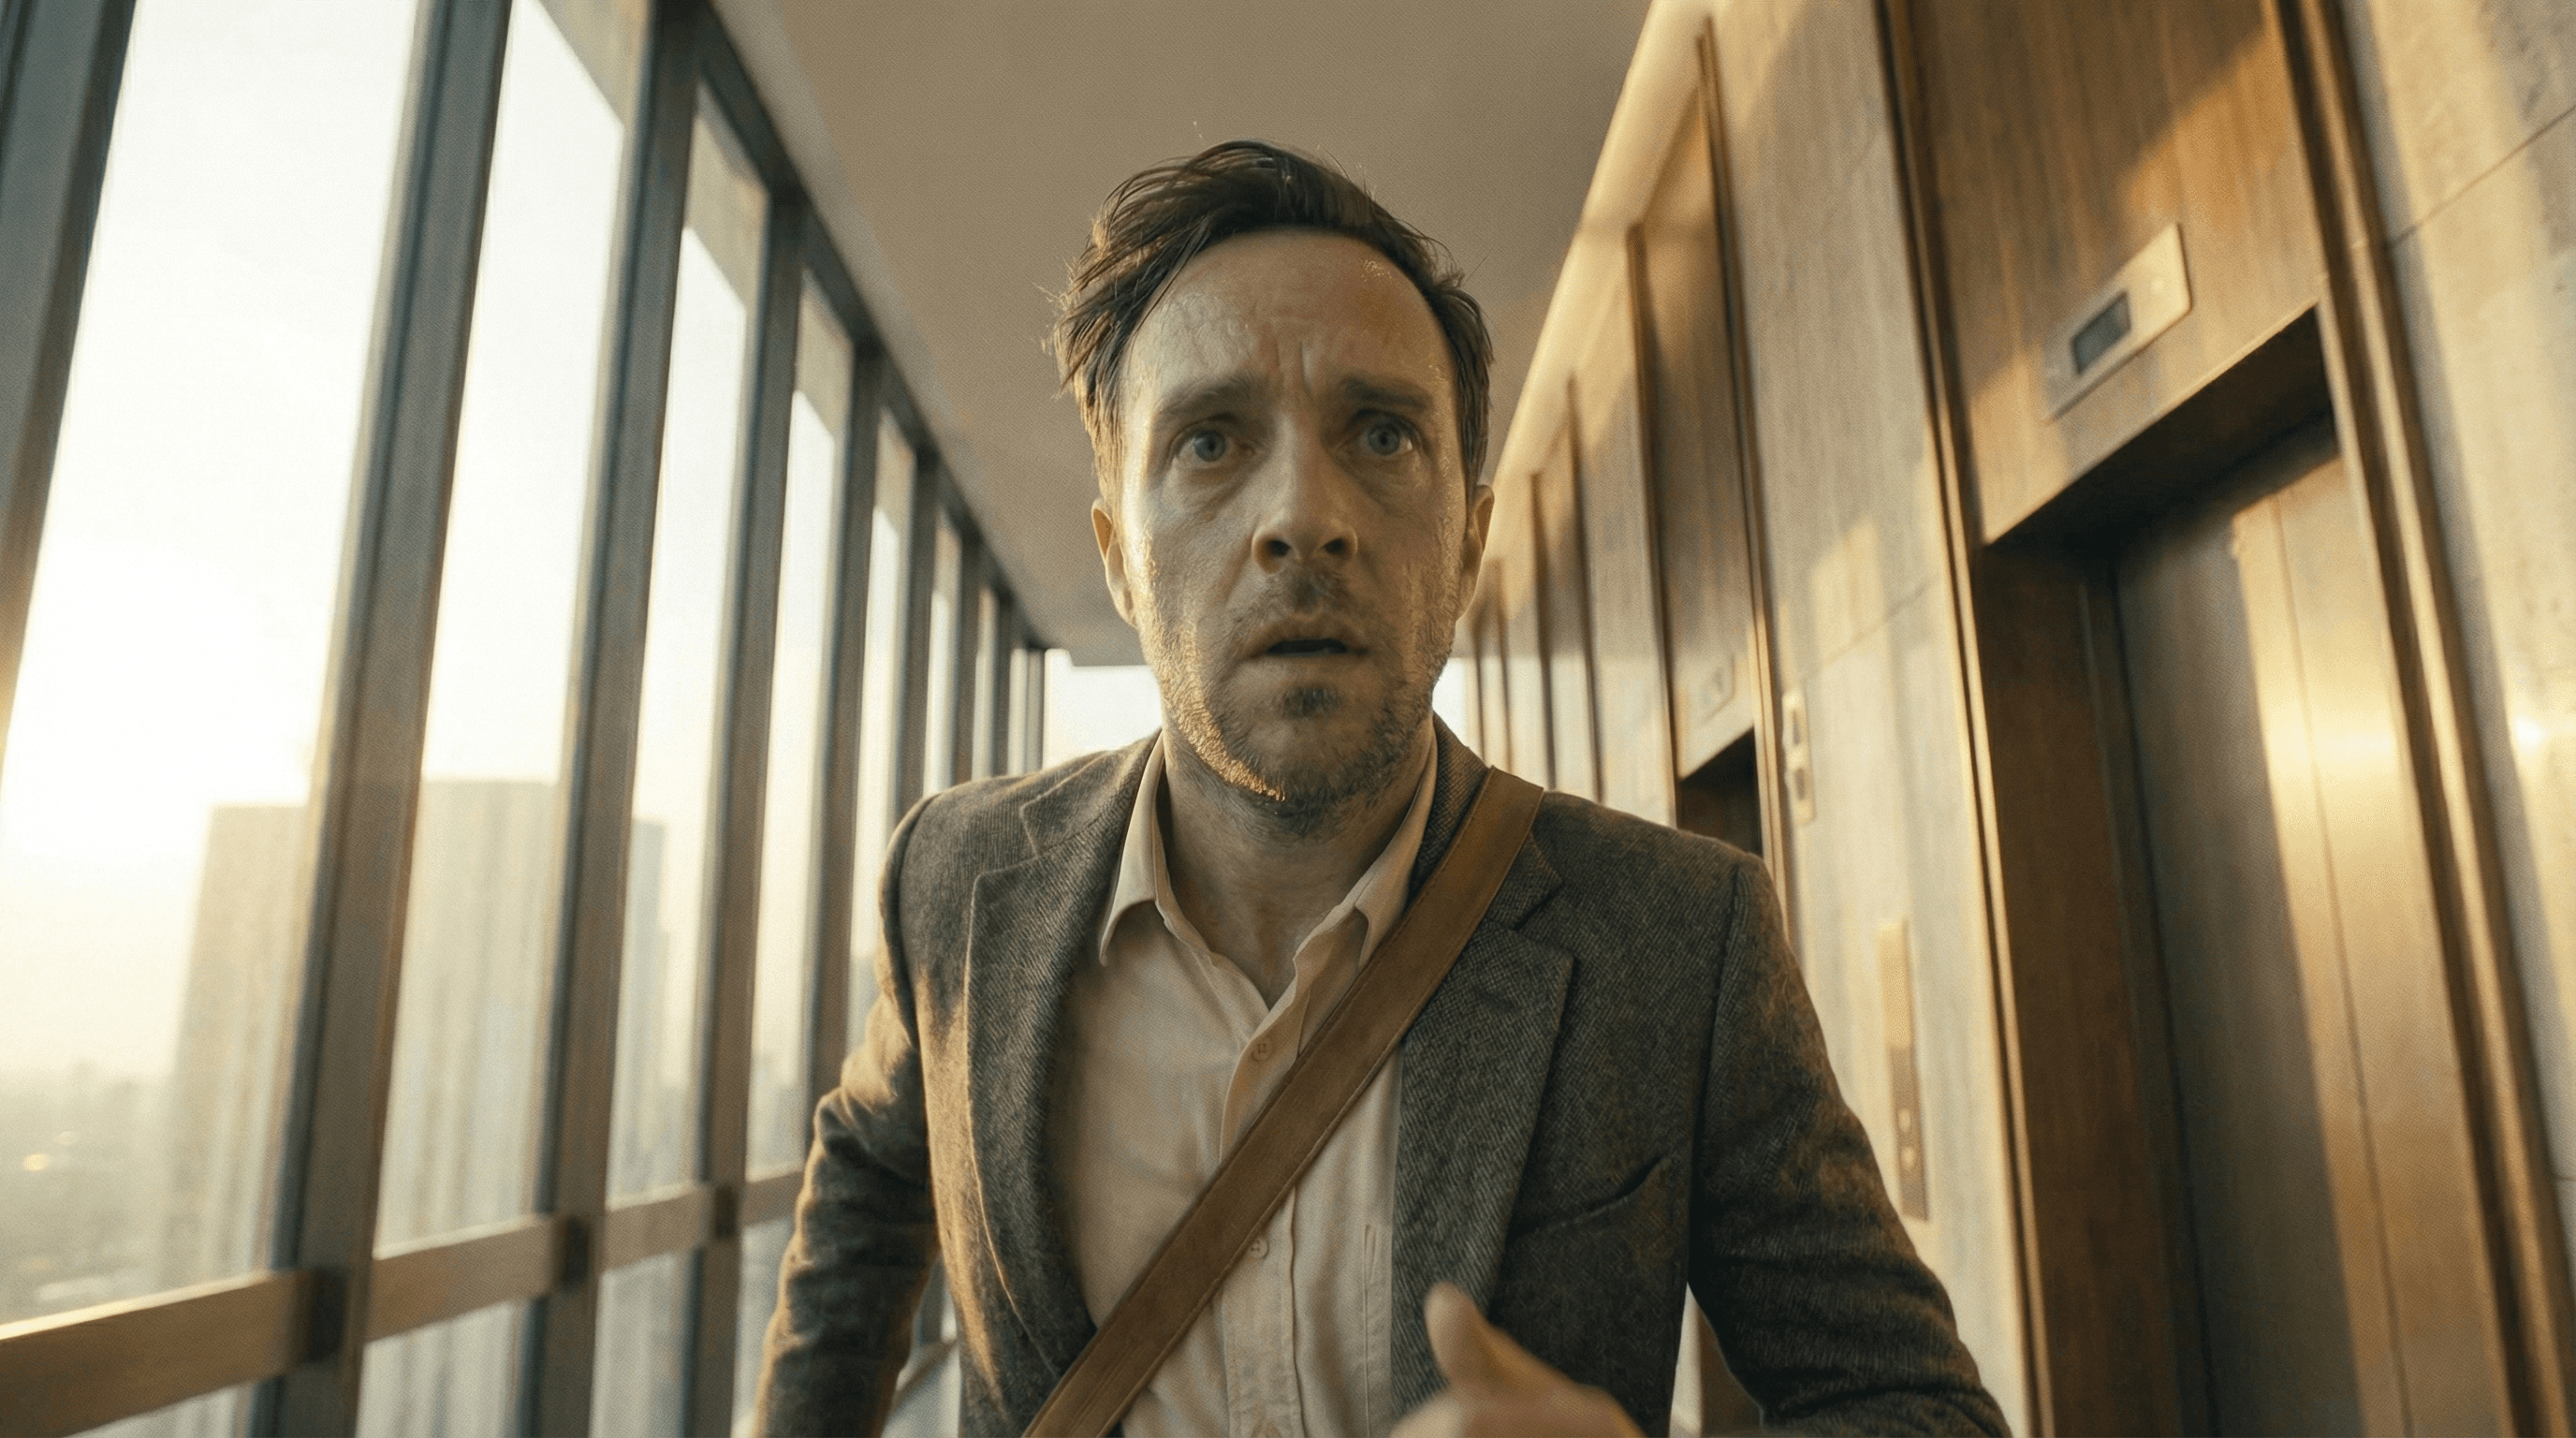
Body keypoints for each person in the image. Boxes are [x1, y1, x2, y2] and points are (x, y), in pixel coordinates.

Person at [754, 139, 2004, 1438]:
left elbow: (1919, 1412)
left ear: (1467, 544)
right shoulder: (958, 885)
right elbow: (868, 1177)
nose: (1304, 517)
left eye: (1383, 433)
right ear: (1120, 558)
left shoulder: (1678, 941)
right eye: (1211, 441)